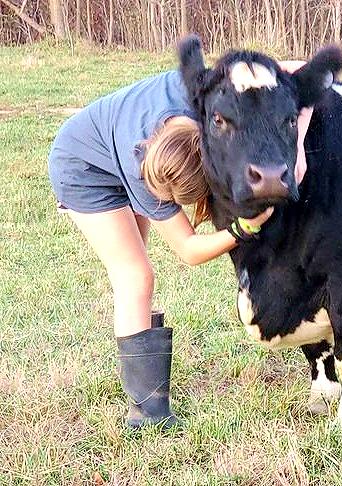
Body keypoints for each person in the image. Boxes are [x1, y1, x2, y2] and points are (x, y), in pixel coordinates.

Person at [47, 61, 312, 429]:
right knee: (134, 278)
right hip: (81, 167)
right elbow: (188, 250)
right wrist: (241, 229)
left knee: (136, 272)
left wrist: (295, 148)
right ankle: (147, 414)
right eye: (173, 205)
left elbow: (297, 69)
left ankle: (144, 381)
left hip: (119, 144)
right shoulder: (145, 169)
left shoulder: (212, 91)